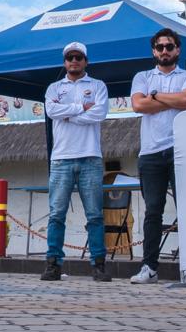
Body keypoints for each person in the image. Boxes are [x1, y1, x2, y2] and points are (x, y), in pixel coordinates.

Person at [129, 27, 186, 285]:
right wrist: (171, 99)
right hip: (149, 152)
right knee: (153, 212)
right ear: (153, 51)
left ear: (177, 49)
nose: (164, 51)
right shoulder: (142, 76)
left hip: (180, 149)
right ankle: (149, 267)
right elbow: (138, 105)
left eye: (169, 46)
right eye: (159, 47)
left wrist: (157, 96)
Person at [40, 41, 111, 282]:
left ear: (86, 61)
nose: (74, 61)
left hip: (91, 157)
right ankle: (53, 264)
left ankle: (99, 265)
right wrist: (81, 107)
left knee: (95, 215)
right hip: (61, 159)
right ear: (64, 62)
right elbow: (51, 112)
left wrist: (69, 115)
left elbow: (99, 113)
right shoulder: (53, 88)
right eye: (70, 57)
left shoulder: (98, 85)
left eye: (78, 57)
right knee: (56, 214)